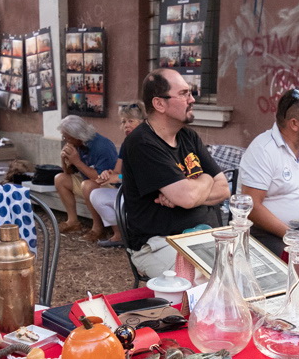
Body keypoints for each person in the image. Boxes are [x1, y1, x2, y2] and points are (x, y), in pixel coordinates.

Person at [120, 68, 229, 278]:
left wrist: (190, 193)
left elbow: (224, 189)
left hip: (206, 235)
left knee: (252, 274)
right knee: (210, 284)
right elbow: (187, 197)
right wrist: (205, 178)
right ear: (159, 104)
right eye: (184, 94)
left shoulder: (188, 136)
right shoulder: (142, 143)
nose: (192, 99)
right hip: (160, 244)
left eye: (190, 93)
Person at [239, 87, 299, 255]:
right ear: (294, 123)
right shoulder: (263, 149)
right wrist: (291, 235)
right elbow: (251, 206)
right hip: (267, 234)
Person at [81, 101, 146, 247]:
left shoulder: (148, 144)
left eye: (131, 121)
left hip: (145, 199)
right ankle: (120, 235)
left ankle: (136, 237)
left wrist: (120, 177)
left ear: (143, 123)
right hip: (128, 194)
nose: (126, 125)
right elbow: (117, 171)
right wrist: (108, 174)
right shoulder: (126, 144)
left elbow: (143, 176)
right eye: (123, 122)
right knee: (96, 195)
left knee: (123, 203)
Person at [53, 114, 118, 235]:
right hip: (87, 182)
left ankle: (98, 228)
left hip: (109, 184)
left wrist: (76, 161)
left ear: (78, 136)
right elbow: (68, 172)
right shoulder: (77, 144)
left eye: (67, 137)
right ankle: (73, 221)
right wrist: (64, 159)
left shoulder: (102, 146)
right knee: (60, 179)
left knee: (87, 185)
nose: (65, 140)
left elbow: (100, 178)